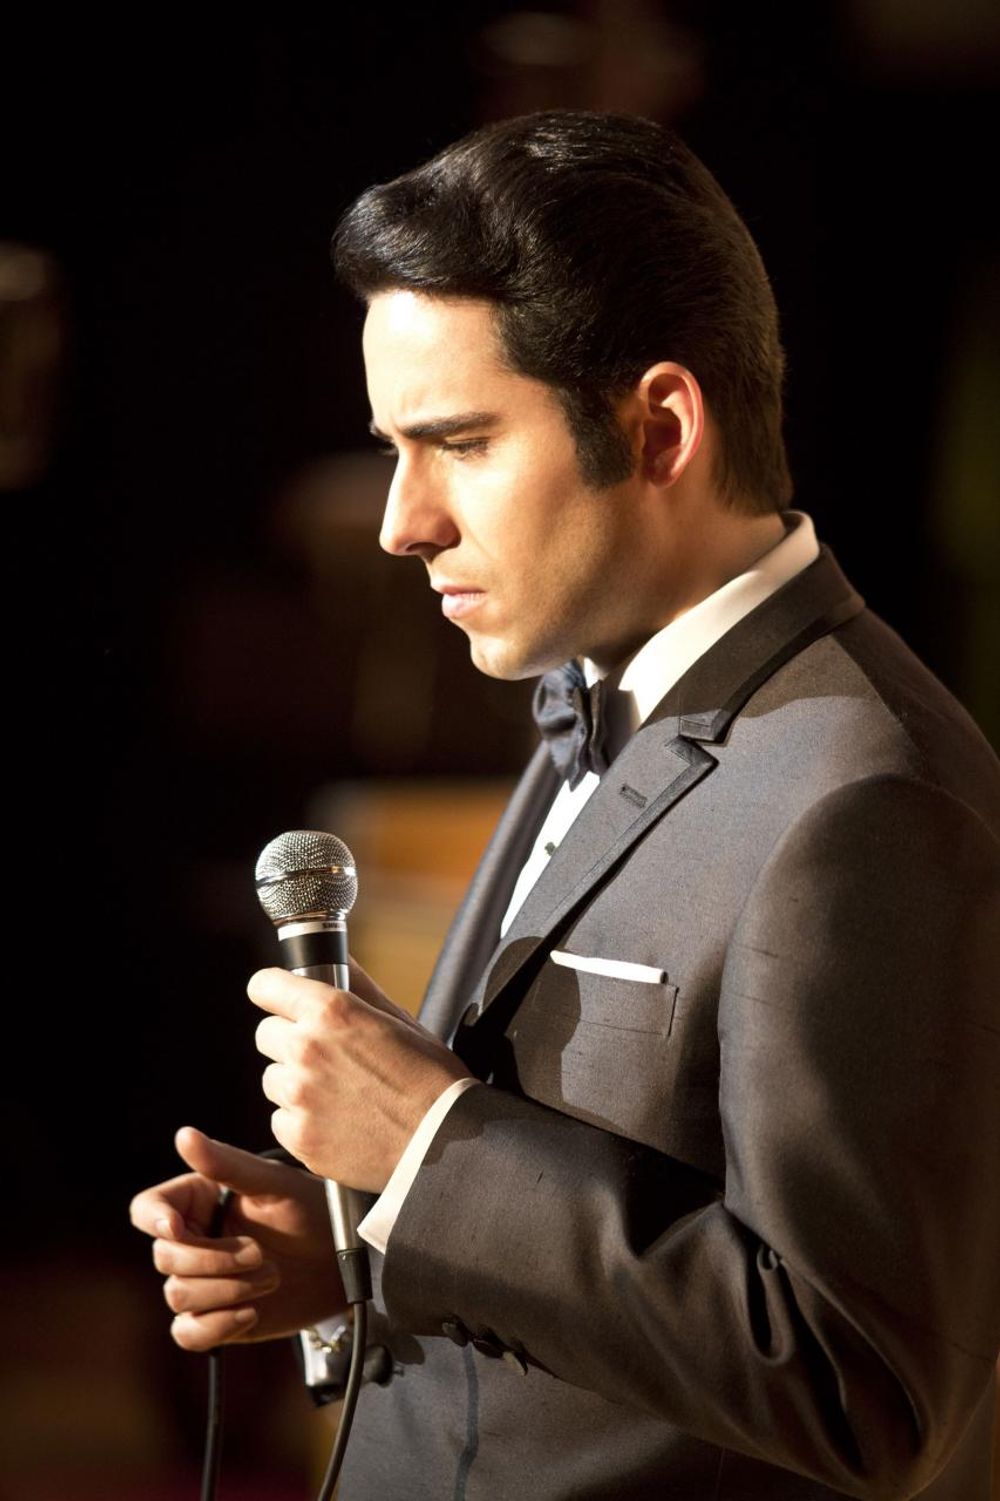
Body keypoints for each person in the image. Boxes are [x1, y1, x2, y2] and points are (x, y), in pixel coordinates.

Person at [130, 112, 1000, 1499]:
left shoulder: (870, 798)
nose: (400, 521)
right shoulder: (599, 677)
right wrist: (370, 1246)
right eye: (393, 447)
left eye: (460, 443)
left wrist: (429, 1152)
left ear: (660, 427)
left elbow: (859, 1388)